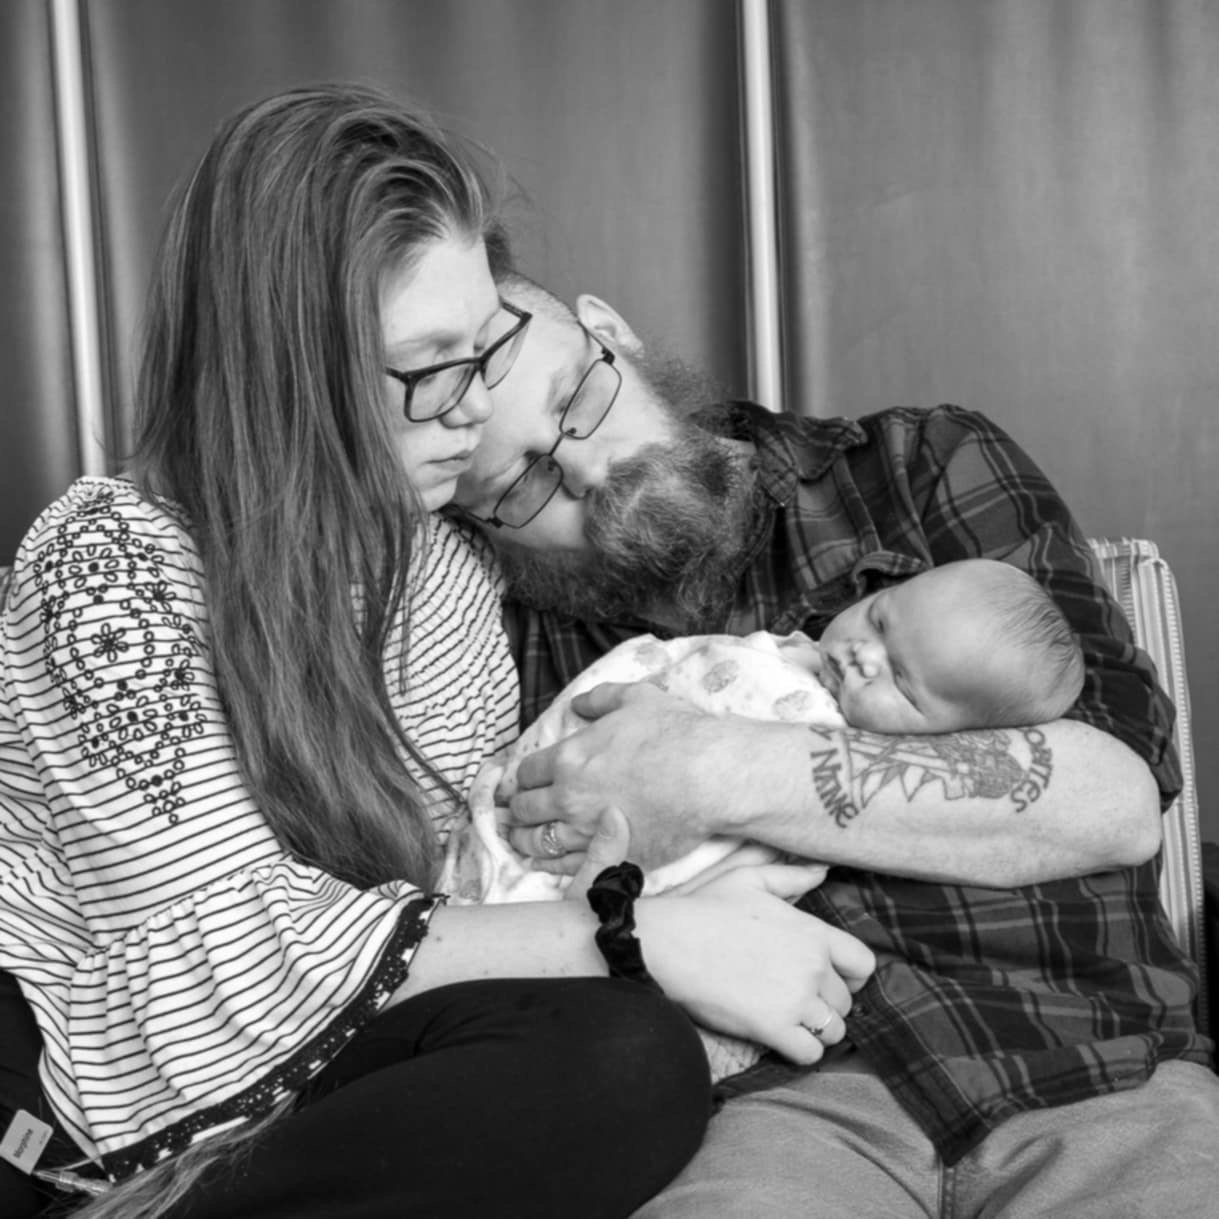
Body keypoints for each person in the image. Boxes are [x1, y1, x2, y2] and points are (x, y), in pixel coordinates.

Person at [0, 87, 877, 1219]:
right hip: (90, 1107)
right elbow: (217, 952)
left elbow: (457, 894)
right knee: (625, 1042)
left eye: (481, 348)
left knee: (625, 1058)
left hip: (311, 1080)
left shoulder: (449, 573)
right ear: (287, 371)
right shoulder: (109, 552)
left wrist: (638, 879)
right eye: (429, 365)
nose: (471, 411)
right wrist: (638, 934)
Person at [450, 270, 1219, 1215]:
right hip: (753, 1105)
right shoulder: (487, 637)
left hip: (1089, 1056)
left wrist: (702, 767)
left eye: (577, 399)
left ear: (613, 331)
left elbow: (1112, 800)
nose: (586, 469)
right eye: (521, 482)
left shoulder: (918, 464)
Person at [446, 556, 1086, 906]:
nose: (864, 654)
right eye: (880, 620)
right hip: (532, 788)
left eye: (901, 681)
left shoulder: (850, 762)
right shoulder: (788, 653)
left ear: (949, 738)